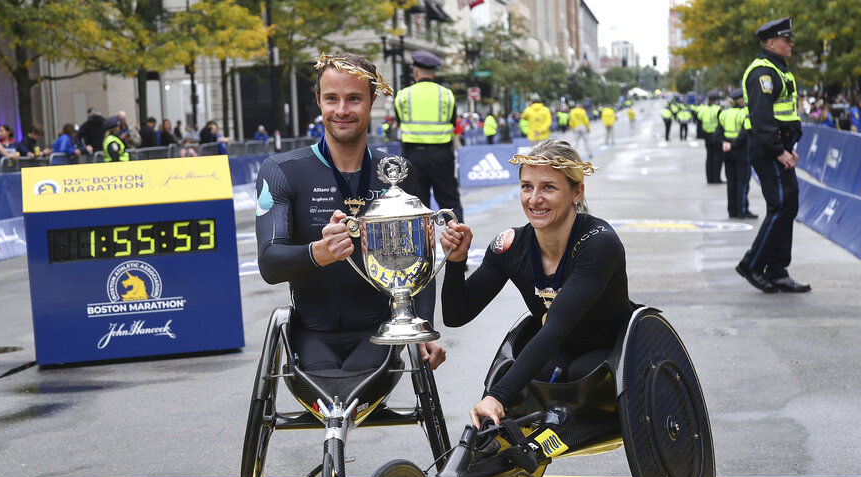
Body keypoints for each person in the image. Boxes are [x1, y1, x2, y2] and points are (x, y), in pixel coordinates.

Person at [255, 52, 445, 373]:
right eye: (332, 98)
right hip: (310, 333)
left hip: (378, 334)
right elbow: (270, 264)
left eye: (354, 98)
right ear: (318, 100)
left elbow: (419, 262)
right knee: (331, 390)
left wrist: (421, 324)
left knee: (353, 391)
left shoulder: (397, 172)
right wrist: (319, 253)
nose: (341, 110)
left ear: (373, 99)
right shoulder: (280, 171)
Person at [438, 138, 633, 426]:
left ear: (577, 192)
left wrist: (497, 396)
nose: (534, 199)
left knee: (578, 373)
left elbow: (555, 326)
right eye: (527, 186)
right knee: (541, 374)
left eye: (548, 187)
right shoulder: (510, 245)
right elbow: (456, 316)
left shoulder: (598, 242)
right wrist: (455, 263)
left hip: (610, 351)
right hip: (557, 351)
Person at [735, 16, 810, 293]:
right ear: (771, 42)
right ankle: (753, 264)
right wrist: (780, 152)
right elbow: (763, 119)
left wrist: (788, 149)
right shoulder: (762, 73)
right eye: (786, 40)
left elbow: (785, 114)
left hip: (780, 147)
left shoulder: (780, 70)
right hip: (768, 150)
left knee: (788, 205)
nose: (791, 44)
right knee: (781, 205)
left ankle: (777, 269)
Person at [395, 49, 464, 222]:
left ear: (415, 71)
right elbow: (452, 120)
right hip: (441, 155)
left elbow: (399, 121)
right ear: (433, 72)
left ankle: (421, 247)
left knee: (416, 207)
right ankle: (458, 243)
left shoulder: (403, 95)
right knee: (450, 203)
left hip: (413, 156)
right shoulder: (446, 95)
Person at [718, 89, 756, 219]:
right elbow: (745, 132)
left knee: (731, 182)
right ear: (741, 100)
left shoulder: (724, 114)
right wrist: (734, 144)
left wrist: (725, 142)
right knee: (743, 182)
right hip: (741, 151)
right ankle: (742, 210)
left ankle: (732, 211)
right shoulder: (744, 113)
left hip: (727, 151)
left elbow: (718, 131)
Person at [700, 91, 723, 183]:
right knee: (717, 158)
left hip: (707, 135)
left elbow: (699, 118)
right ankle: (716, 178)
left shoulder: (704, 109)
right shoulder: (718, 109)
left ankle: (709, 178)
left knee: (709, 157)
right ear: (717, 99)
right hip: (716, 136)